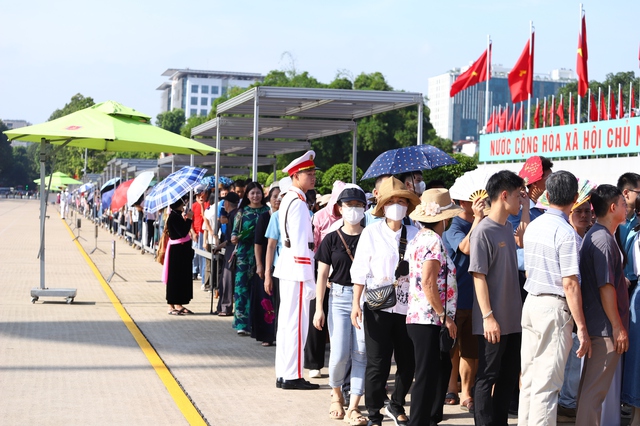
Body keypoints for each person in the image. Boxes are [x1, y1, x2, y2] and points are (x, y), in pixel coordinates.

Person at [518, 171, 591, 426]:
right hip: (553, 307)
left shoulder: (534, 226)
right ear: (574, 198)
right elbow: (570, 284)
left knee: (529, 379)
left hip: (532, 303)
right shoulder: (566, 232)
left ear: (547, 196)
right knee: (547, 386)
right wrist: (582, 327)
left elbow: (528, 270)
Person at [350, 177, 420, 426]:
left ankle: (397, 403)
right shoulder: (371, 232)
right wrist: (355, 304)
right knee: (377, 362)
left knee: (407, 360)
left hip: (409, 307)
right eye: (392, 201)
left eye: (402, 201)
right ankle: (373, 412)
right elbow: (359, 271)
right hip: (377, 306)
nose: (398, 205)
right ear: (383, 206)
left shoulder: (416, 233)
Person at [468, 170, 525, 426]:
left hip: (514, 320)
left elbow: (523, 235)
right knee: (487, 376)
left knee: (508, 377)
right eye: (517, 195)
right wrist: (488, 317)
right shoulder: (483, 231)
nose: (521, 200)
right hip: (493, 321)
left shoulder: (508, 226)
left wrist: (524, 208)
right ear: (504, 195)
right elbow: (478, 276)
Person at [405, 188, 462, 426]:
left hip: (423, 316)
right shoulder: (432, 241)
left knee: (437, 368)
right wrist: (444, 316)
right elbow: (428, 282)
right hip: (428, 318)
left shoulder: (420, 237)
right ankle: (418, 421)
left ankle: (429, 417)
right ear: (444, 218)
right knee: (427, 374)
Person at [313, 185, 368, 426]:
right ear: (340, 209)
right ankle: (336, 395)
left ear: (365, 209)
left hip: (367, 299)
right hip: (339, 298)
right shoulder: (331, 239)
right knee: (339, 355)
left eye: (358, 206)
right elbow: (322, 276)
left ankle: (354, 405)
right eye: (349, 206)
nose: (354, 210)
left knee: (361, 353)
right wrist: (319, 308)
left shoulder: (371, 236)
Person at [576, 184, 630, 426]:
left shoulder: (598, 235)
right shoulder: (602, 239)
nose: (627, 208)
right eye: (623, 203)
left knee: (591, 391)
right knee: (594, 394)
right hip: (604, 328)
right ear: (612, 207)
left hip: (599, 325)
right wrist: (618, 327)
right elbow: (605, 287)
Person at [273, 151, 320, 390]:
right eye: (308, 174)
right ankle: (292, 375)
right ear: (296, 175)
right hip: (298, 269)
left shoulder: (288, 199)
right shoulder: (299, 203)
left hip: (288, 266)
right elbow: (302, 243)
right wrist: (309, 278)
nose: (313, 178)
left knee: (287, 323)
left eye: (313, 173)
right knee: (297, 325)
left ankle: (284, 372)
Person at [442, 190, 487, 413]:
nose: (481, 202)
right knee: (452, 347)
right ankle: (451, 388)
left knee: (471, 348)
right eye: (475, 199)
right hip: (455, 297)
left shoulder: (485, 222)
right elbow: (466, 248)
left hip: (477, 297)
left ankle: (466, 393)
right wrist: (478, 219)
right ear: (463, 202)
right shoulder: (454, 227)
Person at [306, 180, 346, 379]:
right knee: (318, 314)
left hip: (343, 273)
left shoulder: (353, 219)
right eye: (339, 201)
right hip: (321, 269)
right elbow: (313, 246)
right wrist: (324, 271)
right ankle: (314, 362)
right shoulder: (320, 217)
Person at [231, 181, 269, 336]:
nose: (255, 196)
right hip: (244, 255)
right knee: (241, 288)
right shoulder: (242, 212)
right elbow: (234, 231)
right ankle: (241, 323)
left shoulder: (268, 211)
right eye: (252, 193)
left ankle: (257, 322)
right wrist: (235, 237)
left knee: (259, 289)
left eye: (258, 193)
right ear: (247, 195)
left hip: (263, 254)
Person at [253, 185, 281, 346]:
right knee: (266, 299)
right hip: (266, 261)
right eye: (274, 196)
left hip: (281, 263)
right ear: (269, 199)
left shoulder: (286, 216)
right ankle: (267, 335)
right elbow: (258, 244)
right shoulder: (265, 217)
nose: (277, 199)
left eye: (280, 196)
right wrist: (260, 265)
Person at [163, 198, 195, 316]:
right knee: (175, 278)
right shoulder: (174, 217)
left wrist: (186, 219)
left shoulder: (176, 215)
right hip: (178, 251)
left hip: (180, 250)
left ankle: (177, 303)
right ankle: (172, 304)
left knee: (179, 278)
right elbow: (182, 232)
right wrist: (189, 219)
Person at [212, 192, 240, 316]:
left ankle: (225, 307)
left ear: (226, 203)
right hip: (229, 247)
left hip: (232, 250)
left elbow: (231, 238)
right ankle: (222, 306)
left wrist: (220, 245)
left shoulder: (234, 216)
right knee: (225, 278)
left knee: (227, 279)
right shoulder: (234, 214)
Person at [616, 173, 640, 292]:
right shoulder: (613, 220)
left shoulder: (638, 220)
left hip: (636, 281)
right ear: (626, 193)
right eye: (639, 192)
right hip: (618, 282)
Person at [191, 185, 209, 282]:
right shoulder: (193, 205)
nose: (199, 197)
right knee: (195, 254)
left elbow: (205, 215)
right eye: (197, 195)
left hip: (203, 232)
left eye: (201, 194)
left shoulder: (207, 204)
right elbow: (191, 220)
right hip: (196, 232)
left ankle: (201, 273)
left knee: (202, 254)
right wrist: (193, 232)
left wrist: (202, 204)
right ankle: (194, 270)